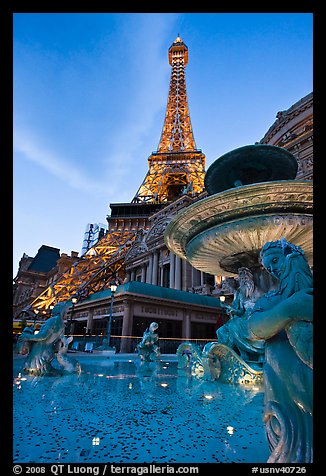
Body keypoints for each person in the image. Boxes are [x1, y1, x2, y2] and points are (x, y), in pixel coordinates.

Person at [243, 239, 313, 463]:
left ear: (292, 256)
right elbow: (254, 329)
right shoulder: (271, 299)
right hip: (282, 397)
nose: (271, 268)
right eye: (266, 266)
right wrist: (290, 308)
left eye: (274, 260)